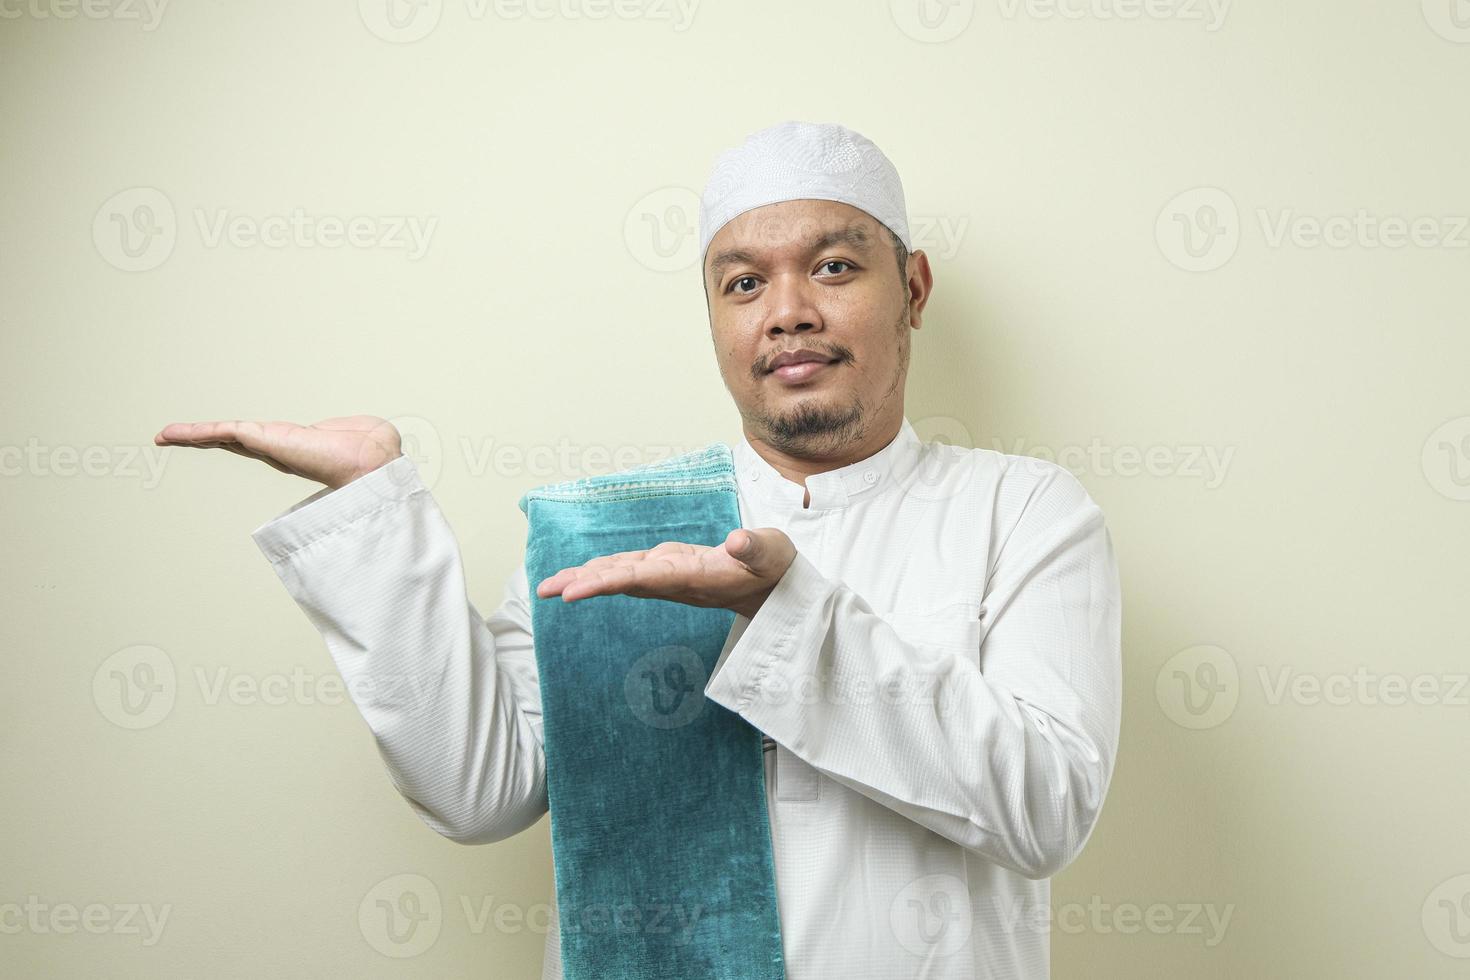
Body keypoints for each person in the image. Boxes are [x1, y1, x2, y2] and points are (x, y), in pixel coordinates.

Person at [154, 120, 1122, 979]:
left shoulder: (1024, 509)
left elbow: (1047, 809)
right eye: (743, 282)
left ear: (910, 288)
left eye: (833, 267)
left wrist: (782, 610)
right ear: (715, 317)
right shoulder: (616, 527)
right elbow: (478, 789)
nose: (787, 310)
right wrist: (373, 508)